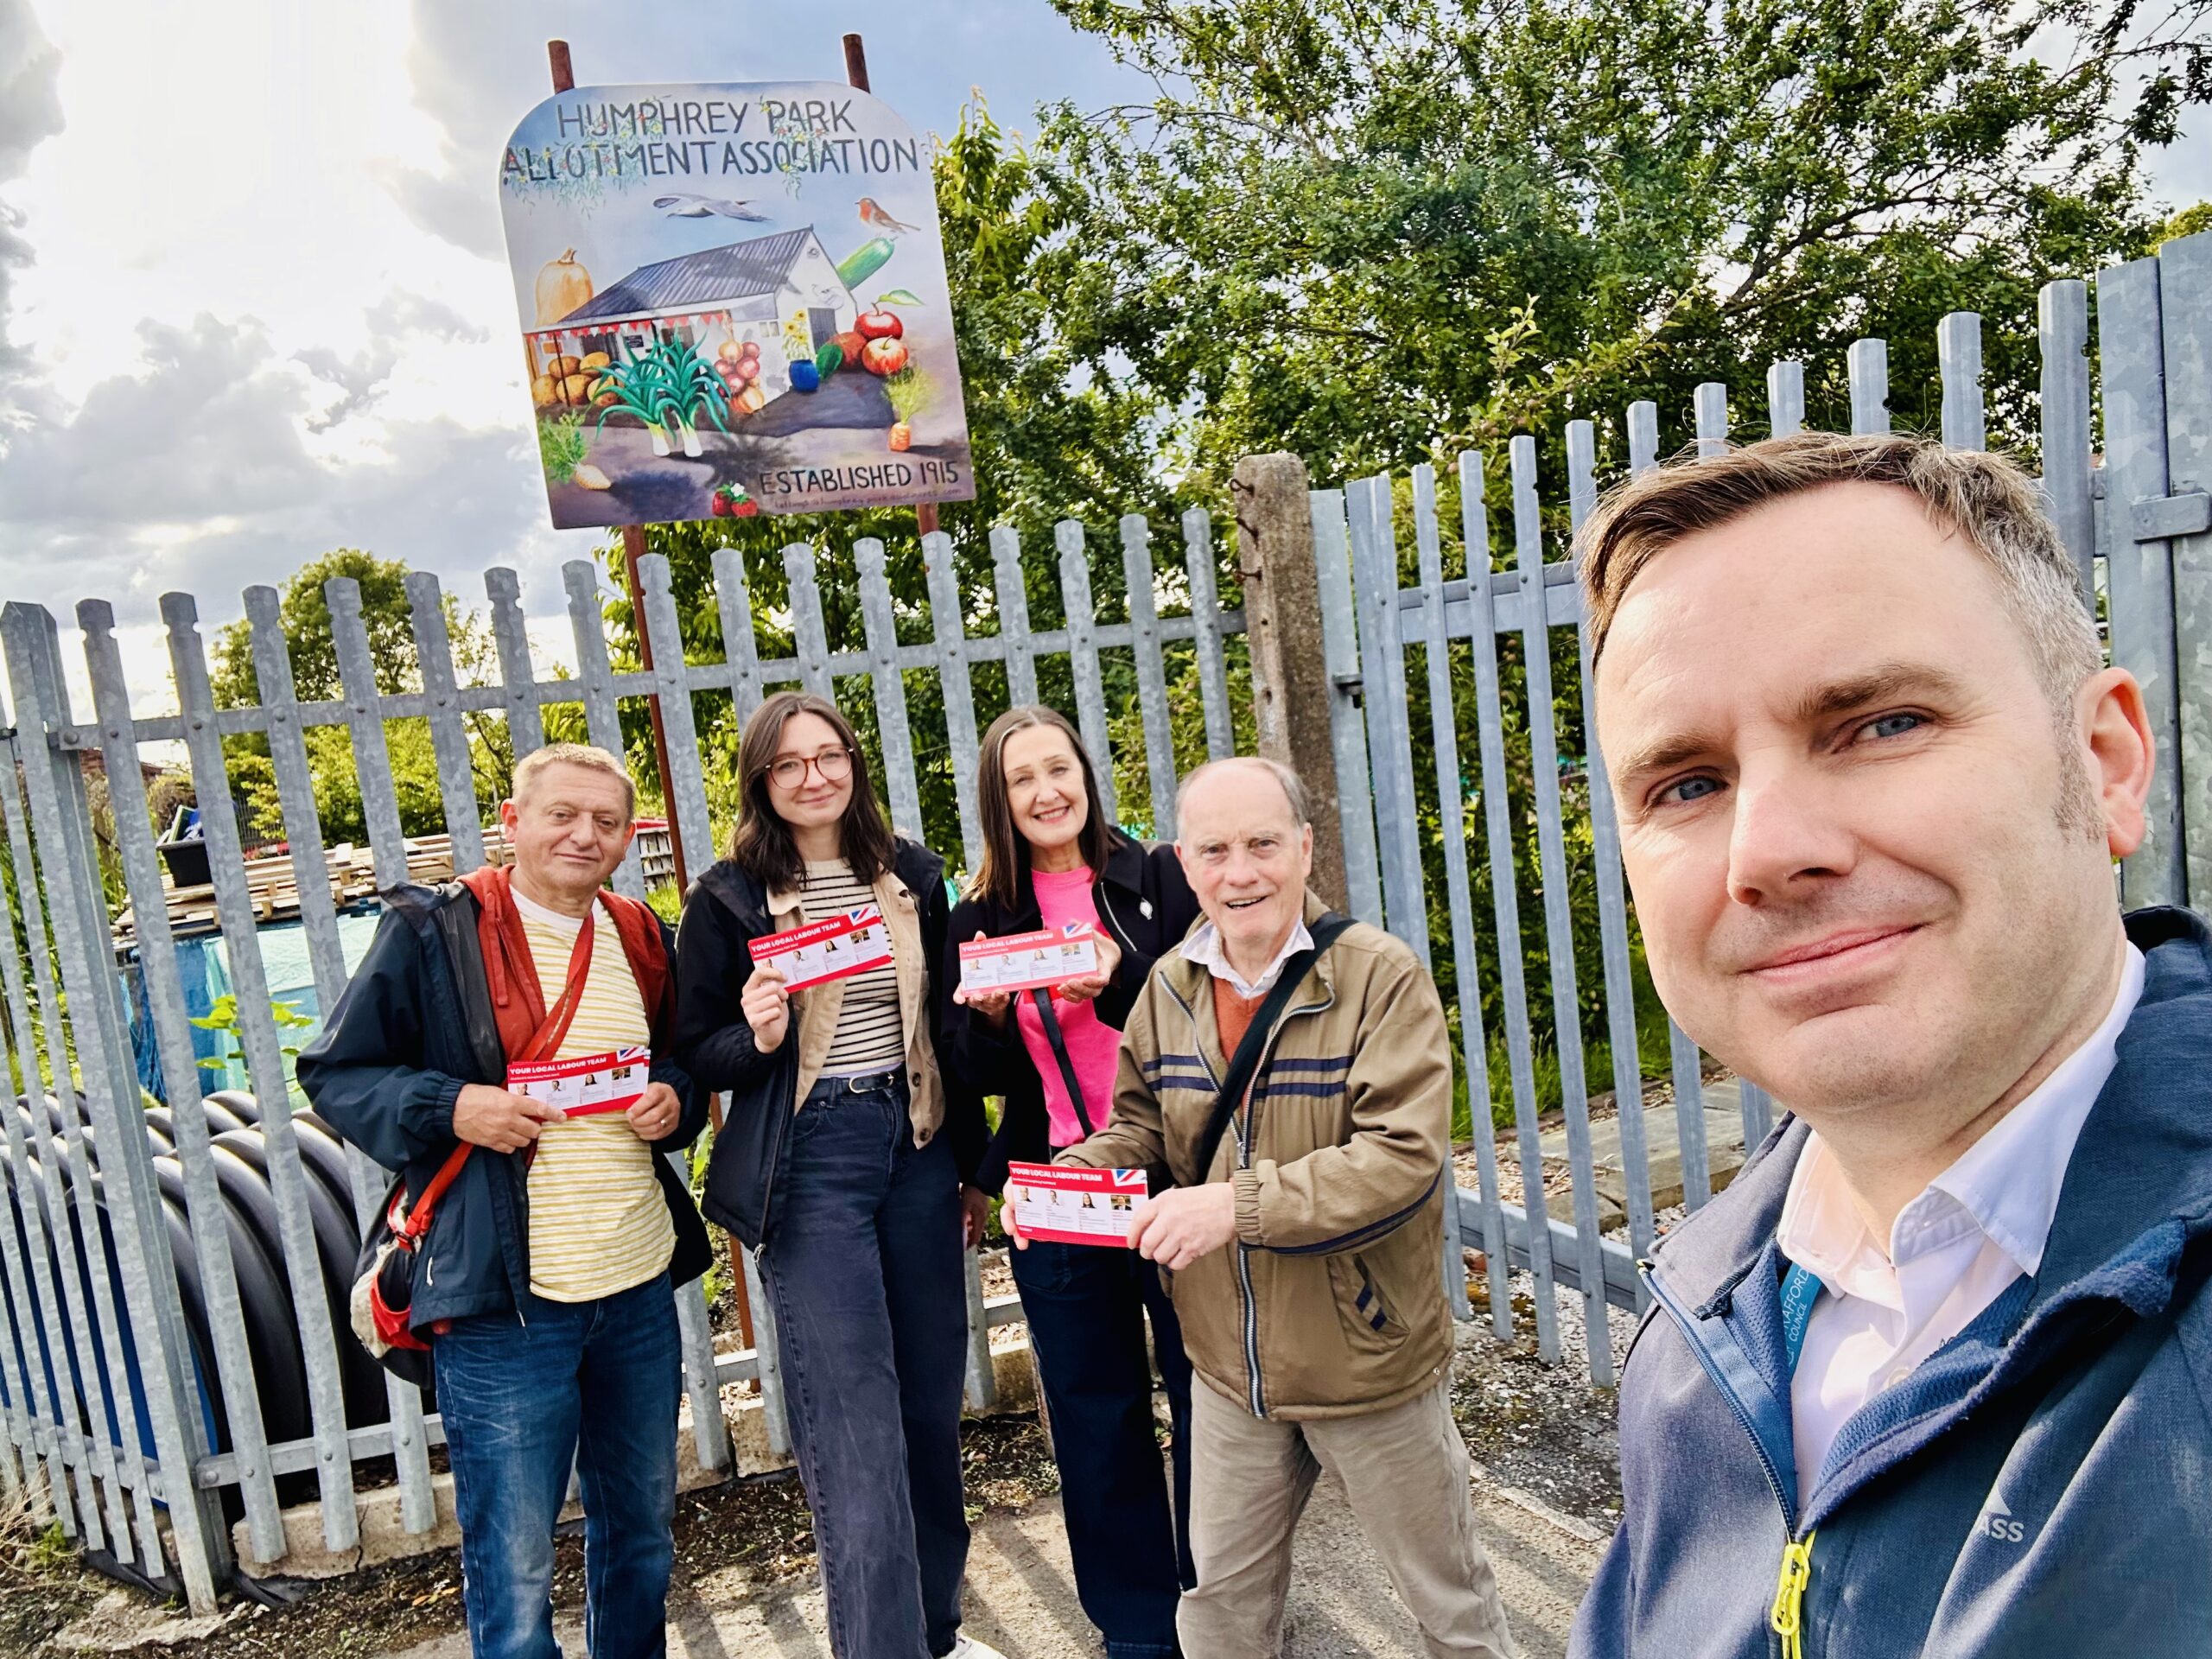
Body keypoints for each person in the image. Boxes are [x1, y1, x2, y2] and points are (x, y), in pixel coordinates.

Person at [1568, 432, 2207, 1656]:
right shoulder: (1706, 1309)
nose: (1766, 850)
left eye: (1880, 723)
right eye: (1686, 786)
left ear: (2107, 763)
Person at [1049, 755, 1516, 1659]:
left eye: (1262, 844)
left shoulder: (1379, 976)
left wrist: (1232, 1206)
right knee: (1220, 1611)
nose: (1240, 872)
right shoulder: (1168, 989)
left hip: (1364, 1361)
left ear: (1304, 850)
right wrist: (1074, 1173)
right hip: (1230, 1375)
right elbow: (1142, 1126)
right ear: (1185, 866)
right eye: (1215, 850)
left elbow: (1400, 1161)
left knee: (1449, 1609)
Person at [297, 743, 711, 1659]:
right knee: (515, 1563)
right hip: (504, 1305)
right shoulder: (435, 935)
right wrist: (454, 1106)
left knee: (641, 1536)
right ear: (512, 822)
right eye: (562, 813)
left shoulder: (643, 936)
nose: (584, 834)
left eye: (606, 821)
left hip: (636, 1285)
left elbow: (680, 1066)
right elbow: (335, 1074)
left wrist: (677, 1099)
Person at [672, 691, 1000, 1659]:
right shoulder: (726, 898)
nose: (814, 776)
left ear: (854, 764)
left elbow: (944, 1026)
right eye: (789, 763)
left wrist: (972, 1169)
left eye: (830, 756)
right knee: (855, 1433)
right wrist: (759, 1034)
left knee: (928, 1409)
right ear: (761, 782)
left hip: (916, 1145)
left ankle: (934, 1635)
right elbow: (698, 1050)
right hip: (810, 1165)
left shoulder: (908, 875)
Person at [942, 705, 1203, 1659]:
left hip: (1175, 1185)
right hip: (1056, 1192)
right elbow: (969, 1077)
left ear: (1086, 777)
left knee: (1205, 1399)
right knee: (1096, 1421)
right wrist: (990, 1022)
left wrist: (1122, 981)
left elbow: (1213, 1022)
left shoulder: (1162, 880)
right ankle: (1139, 1632)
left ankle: (1218, 1607)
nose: (1046, 792)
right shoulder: (977, 920)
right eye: (1023, 779)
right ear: (998, 801)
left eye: (1060, 769)